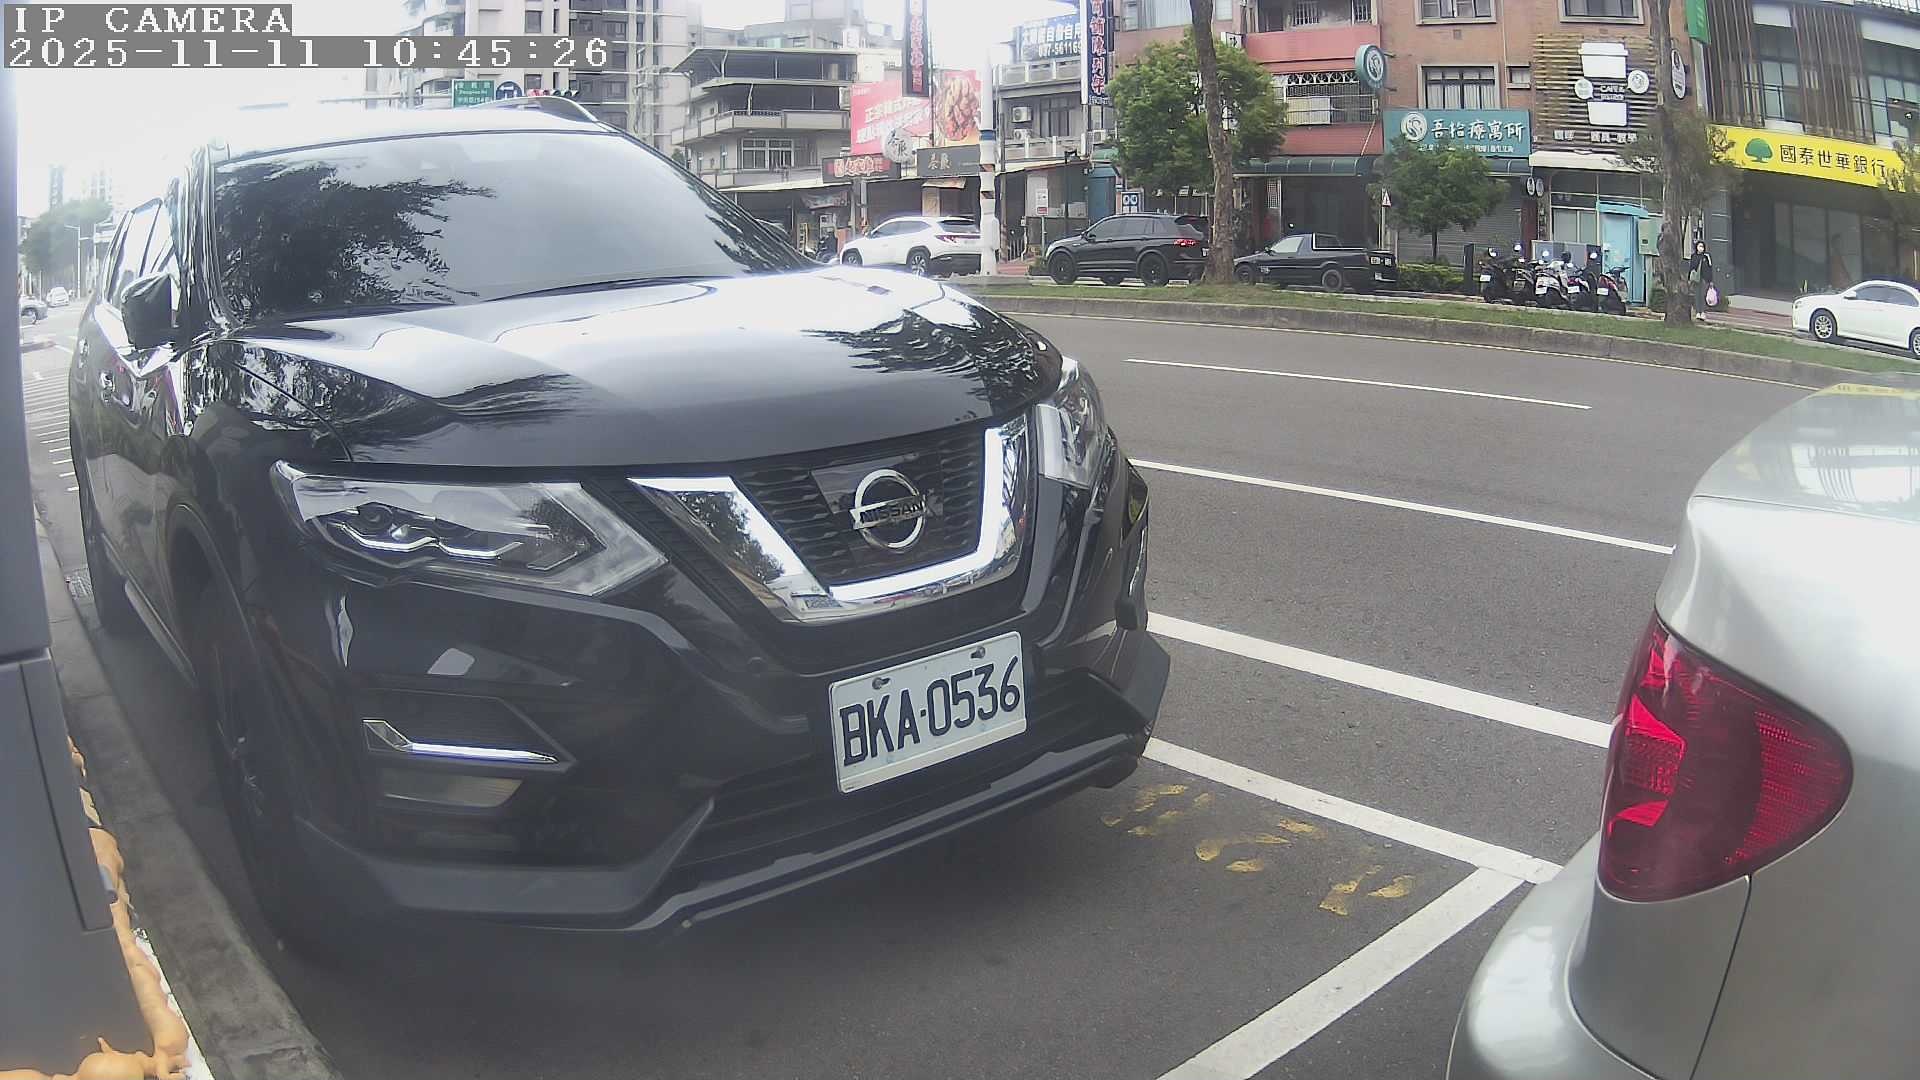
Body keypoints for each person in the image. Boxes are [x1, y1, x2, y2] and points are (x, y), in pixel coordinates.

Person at [1688, 240, 1715, 320]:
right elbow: (1691, 268)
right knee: (1696, 296)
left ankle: (1702, 312)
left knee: (1702, 295)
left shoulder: (1706, 257)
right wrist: (1689, 279)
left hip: (1704, 279)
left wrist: (1710, 280)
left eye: (1702, 246)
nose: (1701, 248)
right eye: (1699, 246)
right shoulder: (1693, 256)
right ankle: (1697, 312)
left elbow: (1709, 269)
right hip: (1696, 279)